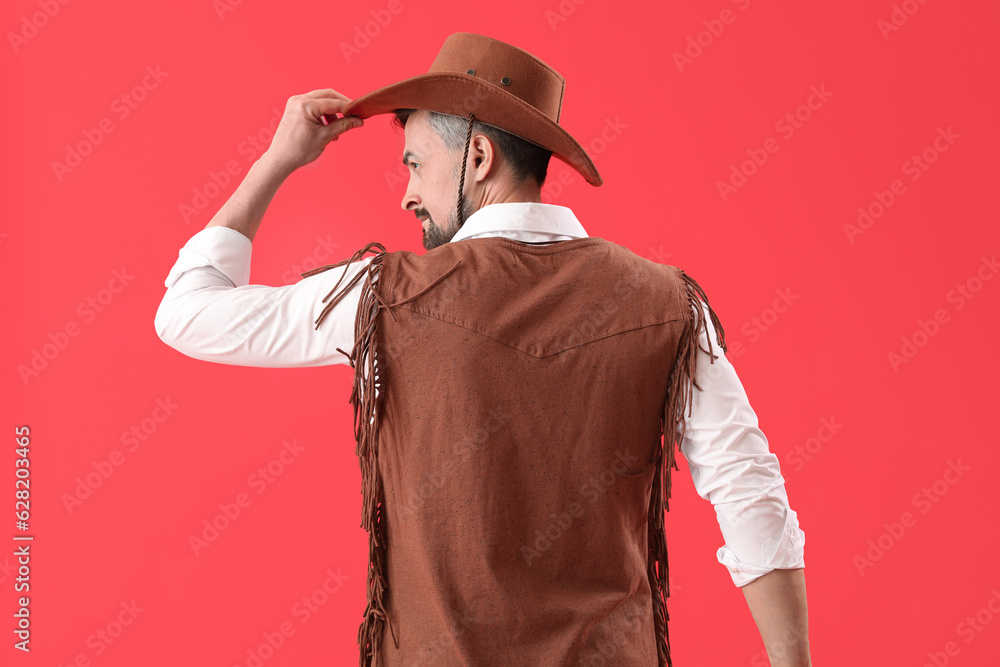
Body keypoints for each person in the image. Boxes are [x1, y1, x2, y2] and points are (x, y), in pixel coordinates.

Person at [155, 32, 810, 667]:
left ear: (476, 158)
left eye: (414, 163)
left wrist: (277, 160)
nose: (407, 192)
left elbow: (185, 313)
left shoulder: (384, 298)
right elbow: (750, 493)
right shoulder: (667, 302)